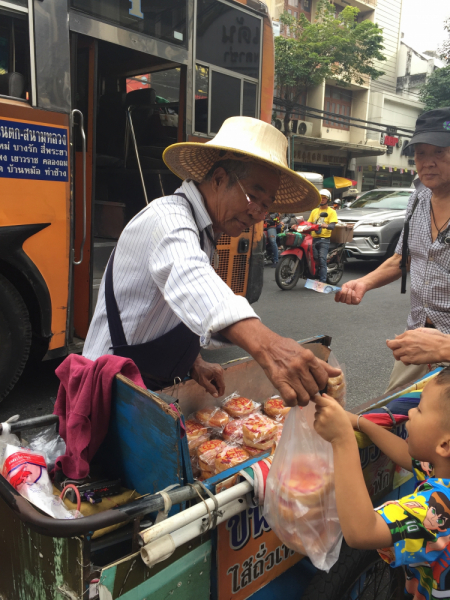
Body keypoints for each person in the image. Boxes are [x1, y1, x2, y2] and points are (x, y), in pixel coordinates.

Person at [83, 116, 340, 405]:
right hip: (105, 390)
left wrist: (194, 361)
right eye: (253, 196)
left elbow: (169, 308)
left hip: (140, 389)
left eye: (266, 206)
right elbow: (190, 278)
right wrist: (270, 346)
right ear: (218, 179)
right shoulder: (169, 219)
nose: (257, 214)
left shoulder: (205, 232)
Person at [335, 107, 450, 392]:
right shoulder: (417, 201)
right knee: (391, 416)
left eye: (439, 151)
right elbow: (402, 259)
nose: (427, 162)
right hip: (416, 338)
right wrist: (362, 283)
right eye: (420, 154)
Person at [314, 368, 450, 600]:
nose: (410, 412)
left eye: (419, 409)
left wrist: (342, 439)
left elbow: (361, 532)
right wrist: (359, 423)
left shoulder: (440, 506)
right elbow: (407, 456)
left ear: (445, 445)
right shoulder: (439, 467)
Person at [307, 189, 338, 283]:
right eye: (320, 197)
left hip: (324, 240)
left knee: (321, 259)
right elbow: (309, 223)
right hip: (313, 238)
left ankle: (322, 281)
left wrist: (325, 225)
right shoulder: (314, 211)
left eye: (324, 198)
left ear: (328, 199)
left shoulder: (331, 212)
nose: (322, 199)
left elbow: (332, 226)